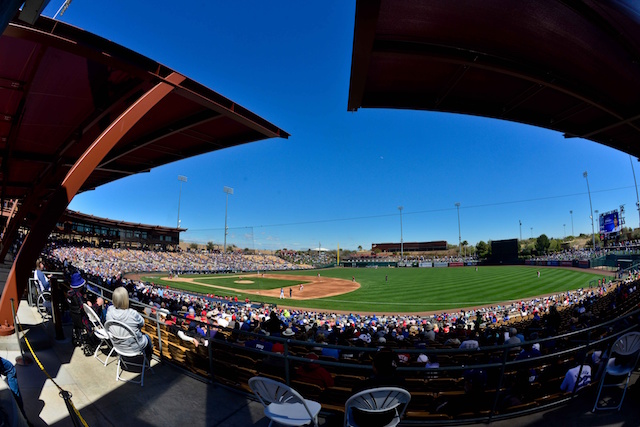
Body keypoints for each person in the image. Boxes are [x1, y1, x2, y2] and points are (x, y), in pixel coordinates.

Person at [106, 286, 154, 361]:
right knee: (147, 337)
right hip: (134, 346)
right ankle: (148, 360)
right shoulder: (132, 313)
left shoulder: (109, 311)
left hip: (118, 345)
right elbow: (142, 323)